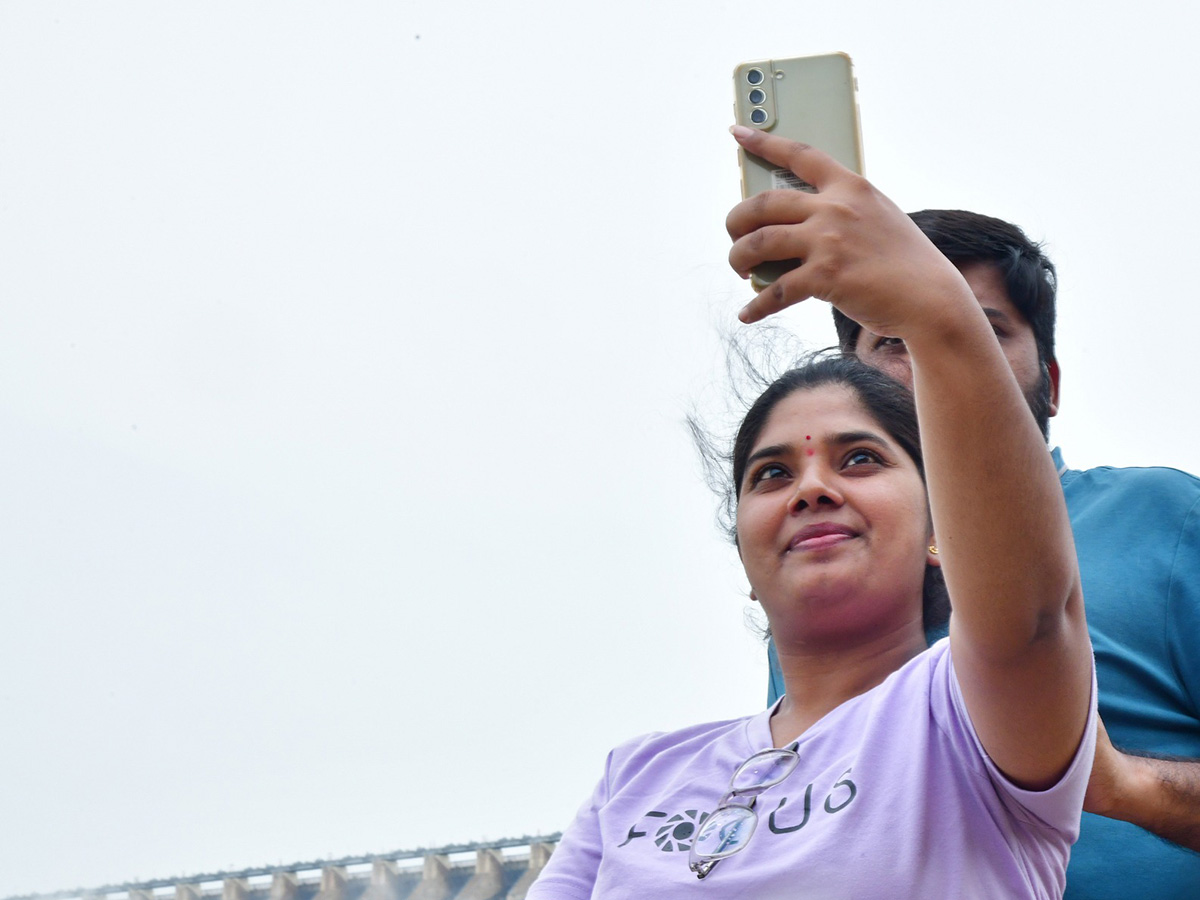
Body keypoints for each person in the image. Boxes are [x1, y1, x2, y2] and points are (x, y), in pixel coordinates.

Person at [528, 127, 1096, 899]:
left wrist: (935, 311)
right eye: (771, 473)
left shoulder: (972, 715)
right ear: (743, 551)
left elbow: (1032, 617)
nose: (811, 489)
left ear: (942, 534)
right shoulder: (636, 777)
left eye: (859, 458)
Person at [757, 207, 1200, 898]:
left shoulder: (1165, 518)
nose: (939, 356)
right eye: (896, 338)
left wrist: (1119, 783)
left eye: (978, 332)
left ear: (1049, 382)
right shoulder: (825, 586)